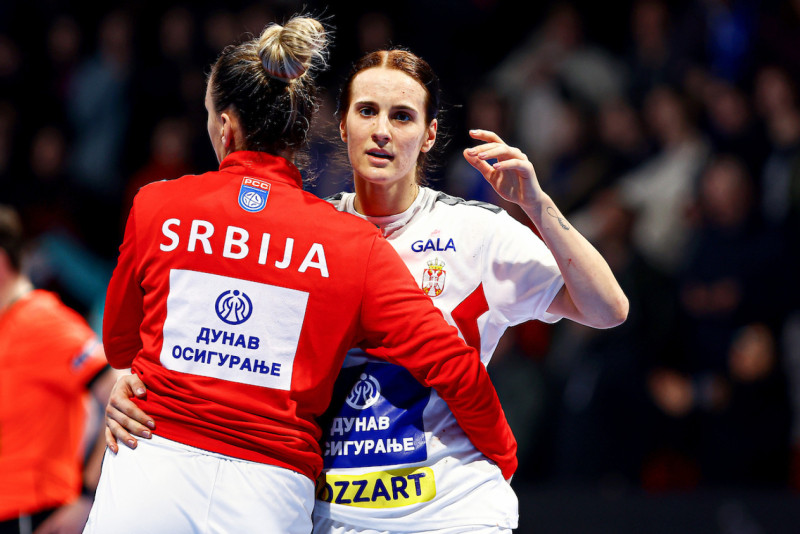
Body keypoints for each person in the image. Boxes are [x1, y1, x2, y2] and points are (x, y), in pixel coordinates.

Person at [106, 48, 628, 532]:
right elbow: (230, 343)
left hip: (452, 509)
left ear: (428, 135)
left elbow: (607, 309)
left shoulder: (478, 232)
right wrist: (134, 385)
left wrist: (537, 206)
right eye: (367, 111)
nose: (382, 130)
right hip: (334, 512)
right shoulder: (313, 232)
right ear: (342, 125)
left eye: (401, 117)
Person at [0, 204, 117, 534]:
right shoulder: (10, 322)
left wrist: (89, 496)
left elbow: (121, 394)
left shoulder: (41, 321)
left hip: (32, 513)